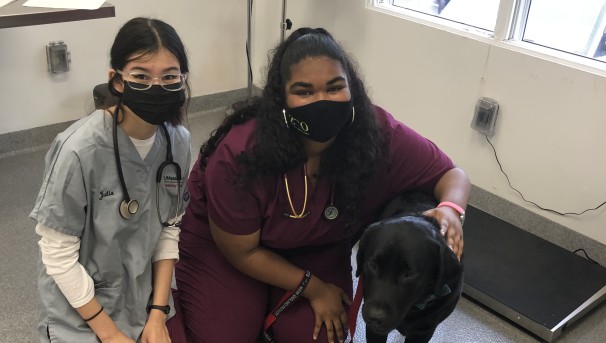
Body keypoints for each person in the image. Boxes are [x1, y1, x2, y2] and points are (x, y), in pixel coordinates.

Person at [174, 27, 469, 343]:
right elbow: (241, 251)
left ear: (351, 88)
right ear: (281, 99)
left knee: (320, 336)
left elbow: (451, 175)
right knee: (224, 337)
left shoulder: (375, 133)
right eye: (303, 91)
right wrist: (312, 287)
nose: (322, 101)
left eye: (334, 88)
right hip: (231, 249)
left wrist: (451, 209)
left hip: (315, 249)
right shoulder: (241, 152)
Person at [30, 17, 192, 343]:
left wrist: (158, 313)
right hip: (78, 310)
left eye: (170, 77)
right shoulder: (78, 149)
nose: (156, 88)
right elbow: (57, 257)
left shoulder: (178, 143)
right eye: (141, 76)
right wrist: (111, 335)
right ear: (116, 81)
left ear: (182, 81)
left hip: (141, 298)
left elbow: (169, 228)